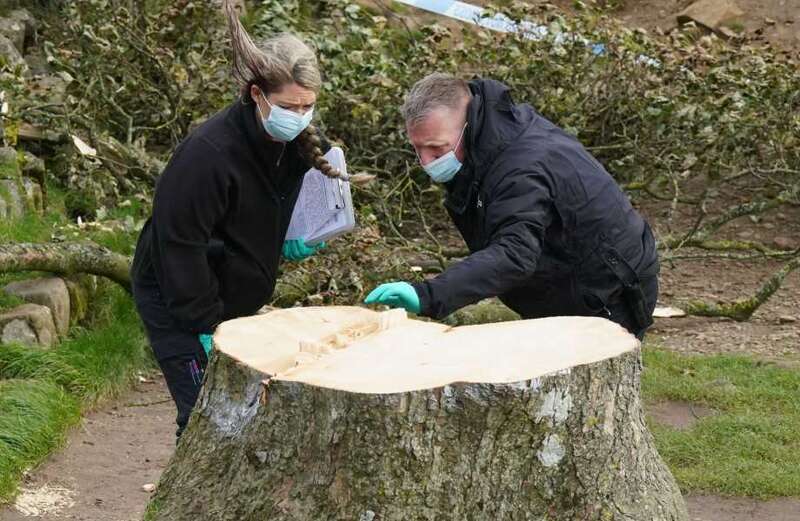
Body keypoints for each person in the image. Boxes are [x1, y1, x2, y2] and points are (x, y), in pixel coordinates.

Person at [130, 3, 344, 439]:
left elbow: (275, 202)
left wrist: (292, 235)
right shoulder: (207, 157)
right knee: (204, 419)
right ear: (256, 95)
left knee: (248, 413)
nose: (300, 116)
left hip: (233, 292)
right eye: (289, 105)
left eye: (308, 107)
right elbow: (180, 247)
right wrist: (203, 327)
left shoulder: (296, 144)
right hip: (178, 296)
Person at [365, 74, 659, 339]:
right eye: (418, 149)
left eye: (437, 149)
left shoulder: (520, 168)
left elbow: (514, 254)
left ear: (467, 125)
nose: (426, 162)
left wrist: (429, 294)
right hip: (560, 278)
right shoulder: (488, 138)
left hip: (609, 290)